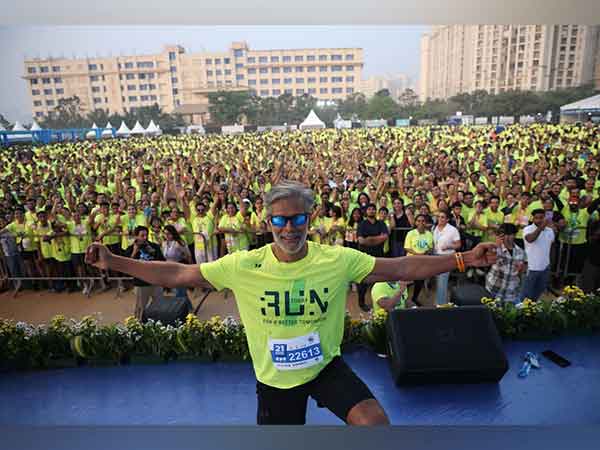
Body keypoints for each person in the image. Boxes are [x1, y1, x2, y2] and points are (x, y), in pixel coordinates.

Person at [86, 181, 497, 426]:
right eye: (280, 220)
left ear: (309, 220)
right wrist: (114, 261)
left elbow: (403, 267)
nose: (289, 227)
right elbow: (178, 275)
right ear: (268, 224)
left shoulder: (337, 259)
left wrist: (463, 258)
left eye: (297, 219)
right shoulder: (243, 265)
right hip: (275, 381)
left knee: (375, 423)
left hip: (324, 368)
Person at [122, 225, 165, 320]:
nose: (145, 238)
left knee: (160, 306)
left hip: (156, 281)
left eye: (146, 235)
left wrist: (154, 253)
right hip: (141, 283)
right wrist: (134, 252)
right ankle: (138, 326)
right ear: (136, 236)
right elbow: (127, 266)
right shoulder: (130, 248)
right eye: (142, 235)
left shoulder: (154, 246)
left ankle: (159, 325)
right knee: (140, 308)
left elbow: (163, 262)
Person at [357, 203, 389, 311]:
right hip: (365, 256)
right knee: (363, 280)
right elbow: (361, 240)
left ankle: (379, 301)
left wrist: (370, 239)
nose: (371, 211)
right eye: (369, 209)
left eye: (373, 209)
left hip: (379, 256)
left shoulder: (381, 223)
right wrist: (376, 239)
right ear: (366, 212)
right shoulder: (362, 224)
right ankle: (361, 302)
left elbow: (385, 237)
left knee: (379, 280)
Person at [485, 223, 527, 304]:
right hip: (494, 290)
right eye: (504, 235)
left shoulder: (520, 252)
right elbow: (488, 260)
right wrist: (496, 246)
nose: (507, 237)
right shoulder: (495, 248)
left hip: (511, 293)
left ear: (514, 235)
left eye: (510, 234)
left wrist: (522, 269)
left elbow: (521, 273)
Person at [520, 209, 556, 301]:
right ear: (533, 219)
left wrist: (550, 264)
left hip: (545, 268)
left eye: (541, 218)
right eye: (537, 218)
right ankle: (523, 313)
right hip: (531, 268)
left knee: (537, 293)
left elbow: (551, 248)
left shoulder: (550, 231)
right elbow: (530, 239)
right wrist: (541, 227)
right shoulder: (527, 229)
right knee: (526, 295)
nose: (539, 220)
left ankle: (532, 311)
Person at [403, 214, 434, 306]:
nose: (421, 223)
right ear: (416, 222)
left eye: (423, 221)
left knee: (419, 282)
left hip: (423, 262)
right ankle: (403, 298)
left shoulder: (429, 234)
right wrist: (418, 254)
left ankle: (414, 298)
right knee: (407, 282)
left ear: (426, 222)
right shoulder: (411, 233)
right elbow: (407, 247)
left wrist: (426, 252)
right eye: (419, 221)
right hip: (411, 261)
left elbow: (431, 247)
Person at [432, 210, 461, 305]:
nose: (440, 219)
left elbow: (458, 244)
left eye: (442, 217)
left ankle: (441, 304)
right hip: (435, 256)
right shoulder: (434, 228)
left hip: (447, 257)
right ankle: (440, 302)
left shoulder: (453, 230)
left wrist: (449, 246)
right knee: (438, 281)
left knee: (442, 281)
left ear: (447, 219)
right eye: (439, 217)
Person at [162, 224, 192, 298]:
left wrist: (189, 268)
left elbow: (188, 255)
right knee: (177, 291)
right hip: (168, 268)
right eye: (165, 233)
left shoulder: (179, 243)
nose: (166, 236)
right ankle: (189, 307)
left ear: (173, 233)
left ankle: (185, 307)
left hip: (178, 268)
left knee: (180, 291)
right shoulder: (164, 243)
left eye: (168, 234)